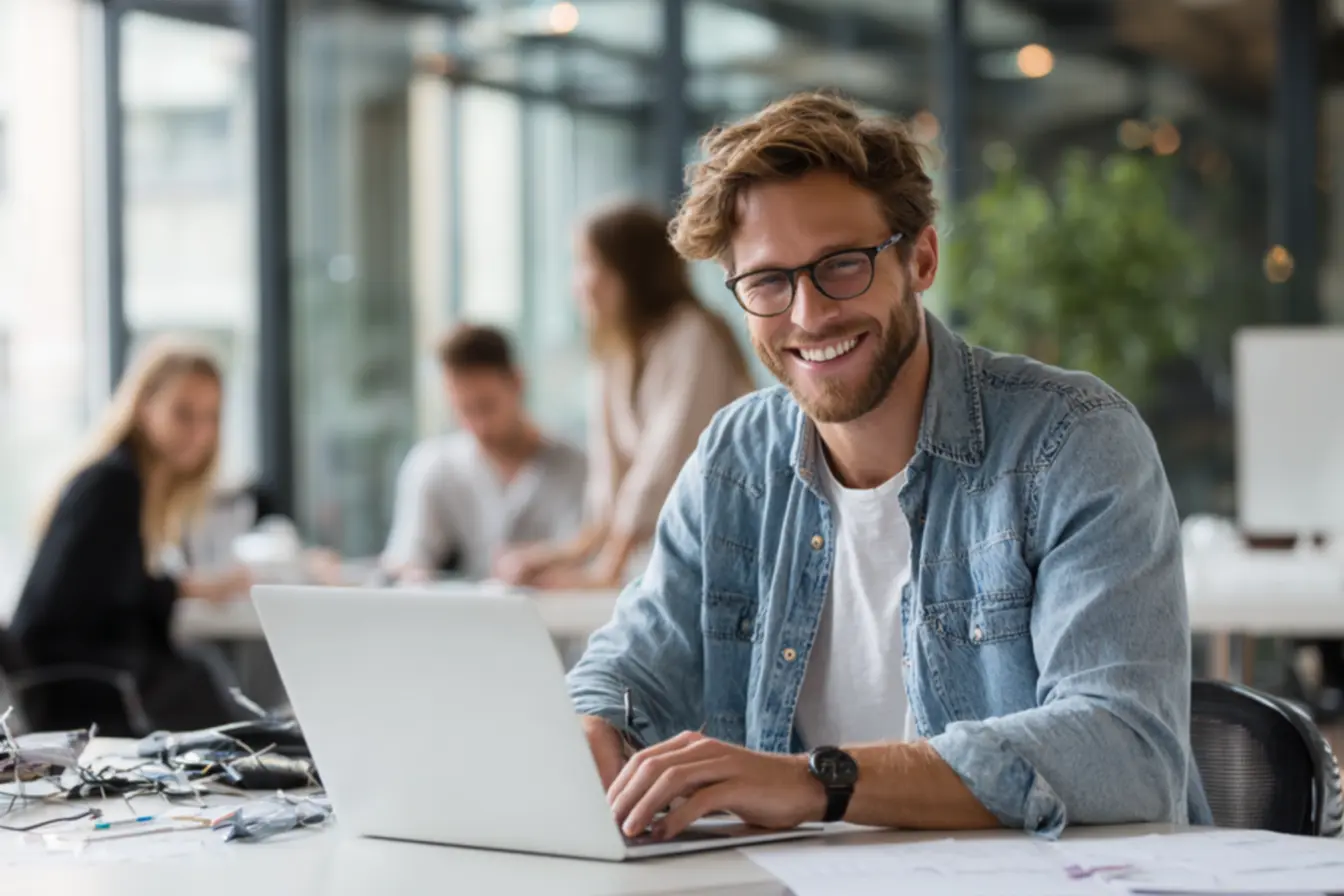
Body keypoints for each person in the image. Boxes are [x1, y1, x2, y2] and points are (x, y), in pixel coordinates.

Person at [566, 92, 1211, 842]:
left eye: (841, 265)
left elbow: (1126, 749)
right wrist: (592, 727)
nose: (808, 315)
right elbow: (626, 671)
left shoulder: (1072, 442)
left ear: (921, 259)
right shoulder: (734, 460)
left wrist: (815, 784)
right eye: (769, 281)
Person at [494, 202, 754, 590]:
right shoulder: (617, 352)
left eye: (590, 263)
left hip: (729, 547)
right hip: (674, 554)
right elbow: (610, 474)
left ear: (631, 272)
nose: (579, 281)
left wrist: (605, 571)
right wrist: (570, 553)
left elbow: (667, 461)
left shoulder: (693, 334)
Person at [12, 337, 252, 735]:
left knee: (204, 677)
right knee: (206, 690)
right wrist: (187, 589)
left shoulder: (122, 479)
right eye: (183, 414)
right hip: (77, 687)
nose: (200, 432)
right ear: (144, 406)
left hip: (78, 679)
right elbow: (99, 601)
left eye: (211, 417)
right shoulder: (114, 484)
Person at [381, 324, 587, 582]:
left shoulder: (577, 468)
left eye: (487, 406)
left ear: (517, 383)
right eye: (464, 410)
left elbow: (592, 564)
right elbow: (406, 559)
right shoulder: (434, 467)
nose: (479, 425)